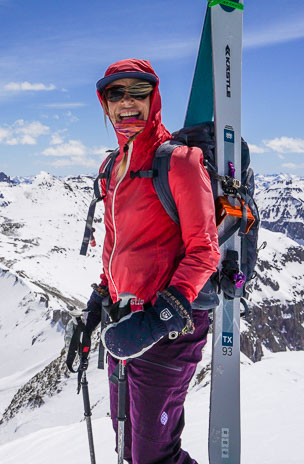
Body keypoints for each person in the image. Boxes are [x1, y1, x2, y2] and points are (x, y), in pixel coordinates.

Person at [84, 59, 220, 463]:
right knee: (127, 445)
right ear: (104, 103)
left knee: (152, 455)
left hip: (171, 328)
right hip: (124, 323)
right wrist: (100, 299)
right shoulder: (111, 167)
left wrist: (162, 316)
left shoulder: (179, 161)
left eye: (138, 91)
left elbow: (205, 249)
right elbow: (116, 245)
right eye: (115, 93)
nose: (127, 103)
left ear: (154, 96)